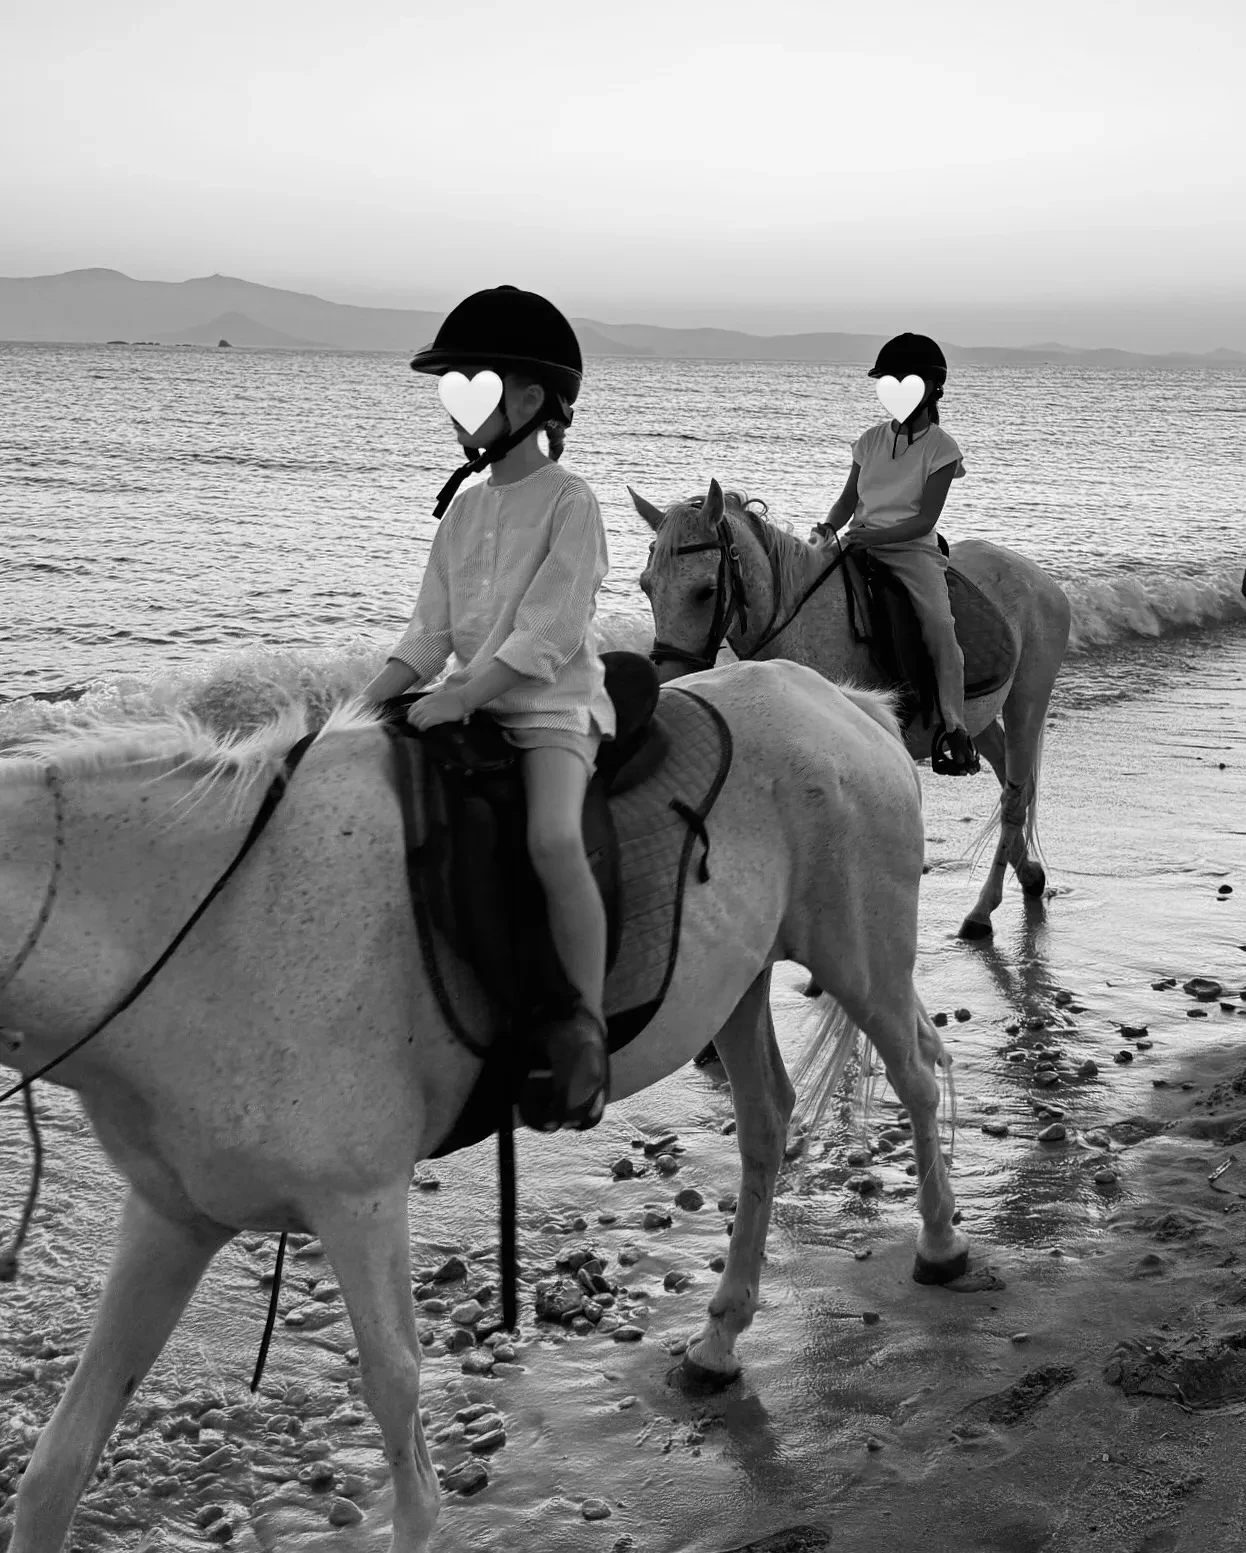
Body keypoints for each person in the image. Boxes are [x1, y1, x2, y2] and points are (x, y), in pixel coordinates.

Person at [362, 285, 616, 1131]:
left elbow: (549, 632)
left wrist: (465, 694)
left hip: (549, 712)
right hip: (469, 705)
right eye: (453, 388)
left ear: (532, 398)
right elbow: (428, 633)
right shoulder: (465, 509)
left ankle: (585, 1032)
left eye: (474, 385)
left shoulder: (571, 501)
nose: (455, 407)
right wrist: (361, 703)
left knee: (552, 839)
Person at [810, 332, 980, 776]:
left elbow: (924, 521)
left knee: (940, 627)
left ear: (932, 389)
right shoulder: (869, 440)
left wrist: (875, 539)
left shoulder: (941, 448)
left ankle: (954, 727)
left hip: (911, 551)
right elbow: (848, 501)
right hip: (858, 541)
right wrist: (827, 528)